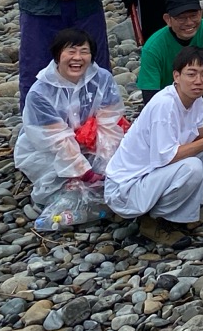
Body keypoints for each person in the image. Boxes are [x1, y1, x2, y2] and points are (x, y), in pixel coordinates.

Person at [105, 45, 203, 244]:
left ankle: (182, 216)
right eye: (191, 74)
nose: (198, 81)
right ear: (176, 76)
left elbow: (186, 133)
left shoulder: (197, 101)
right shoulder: (164, 105)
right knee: (192, 167)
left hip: (149, 175)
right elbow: (166, 157)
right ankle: (153, 220)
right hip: (126, 188)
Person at [13, 28, 127, 213]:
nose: (78, 58)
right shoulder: (40, 92)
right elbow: (55, 138)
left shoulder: (102, 79)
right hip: (46, 149)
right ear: (57, 55)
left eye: (84, 52)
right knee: (61, 184)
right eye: (71, 51)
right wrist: (84, 172)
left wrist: (108, 162)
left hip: (90, 141)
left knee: (116, 173)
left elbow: (110, 122)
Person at [136, 0, 203, 106]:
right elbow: (149, 92)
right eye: (181, 18)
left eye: (194, 16)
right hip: (169, 100)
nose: (189, 22)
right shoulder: (153, 47)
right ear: (168, 19)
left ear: (201, 13)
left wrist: (194, 96)